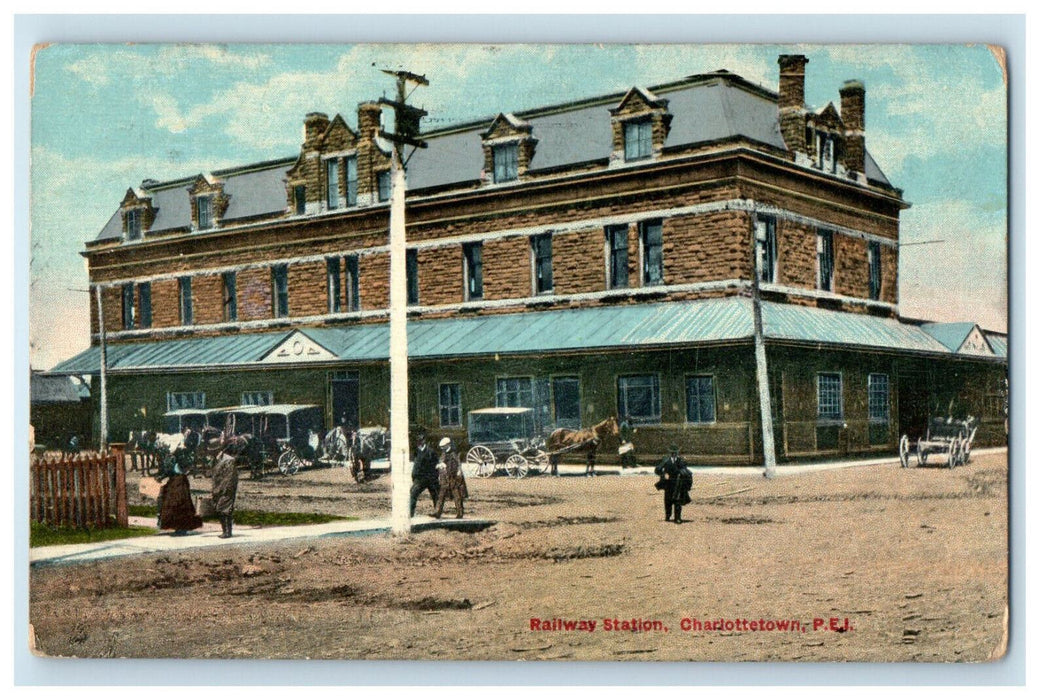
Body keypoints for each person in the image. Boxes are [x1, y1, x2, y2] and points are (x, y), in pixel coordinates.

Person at [157, 453, 203, 534]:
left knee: (178, 503)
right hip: (175, 481)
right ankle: (178, 527)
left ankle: (181, 527)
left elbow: (174, 469)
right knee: (175, 503)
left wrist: (162, 477)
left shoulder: (179, 456)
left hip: (179, 482)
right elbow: (169, 470)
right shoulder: (171, 457)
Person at [655, 444, 692, 524]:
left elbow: (685, 471)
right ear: (670, 453)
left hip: (678, 483)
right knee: (668, 501)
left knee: (677, 500)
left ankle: (677, 518)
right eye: (672, 452)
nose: (674, 454)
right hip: (668, 483)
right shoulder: (666, 460)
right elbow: (657, 470)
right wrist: (663, 474)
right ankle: (668, 516)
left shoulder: (681, 461)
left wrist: (682, 474)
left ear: (677, 452)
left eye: (675, 452)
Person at [211, 444, 241, 539]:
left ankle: (227, 531)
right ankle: (225, 531)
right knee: (220, 509)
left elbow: (229, 478)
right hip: (219, 489)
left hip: (226, 489)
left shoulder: (228, 460)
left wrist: (222, 489)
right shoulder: (218, 459)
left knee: (224, 509)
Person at [434, 437, 468, 519]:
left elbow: (458, 464)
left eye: (443, 446)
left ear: (447, 445)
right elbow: (441, 461)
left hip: (453, 478)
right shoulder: (444, 453)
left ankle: (460, 514)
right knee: (441, 496)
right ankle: (437, 513)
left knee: (457, 496)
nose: (442, 448)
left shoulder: (454, 453)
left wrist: (458, 472)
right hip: (445, 477)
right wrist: (440, 466)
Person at [410, 434, 440, 517]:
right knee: (413, 493)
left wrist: (435, 477)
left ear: (424, 441)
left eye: (421, 441)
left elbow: (436, 464)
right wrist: (414, 475)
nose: (419, 443)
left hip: (431, 478)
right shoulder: (416, 451)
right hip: (419, 479)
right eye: (418, 441)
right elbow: (416, 465)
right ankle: (410, 513)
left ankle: (437, 513)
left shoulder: (431, 452)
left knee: (435, 495)